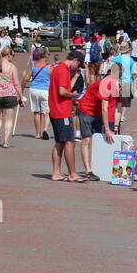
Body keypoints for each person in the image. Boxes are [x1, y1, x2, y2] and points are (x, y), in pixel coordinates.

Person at [47, 51, 85, 181]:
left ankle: (56, 172)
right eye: (79, 65)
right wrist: (73, 96)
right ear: (75, 60)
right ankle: (72, 173)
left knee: (60, 142)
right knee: (70, 142)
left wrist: (74, 78)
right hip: (62, 111)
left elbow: (64, 87)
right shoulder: (63, 70)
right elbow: (63, 92)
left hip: (55, 110)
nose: (78, 68)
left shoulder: (58, 69)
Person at [76, 62, 116, 180]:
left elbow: (113, 106)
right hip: (87, 110)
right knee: (86, 139)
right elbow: (105, 108)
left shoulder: (114, 84)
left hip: (97, 113)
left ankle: (98, 167)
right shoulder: (105, 84)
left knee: (97, 140)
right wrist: (108, 129)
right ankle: (88, 170)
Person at [24, 46, 52, 140]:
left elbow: (26, 78)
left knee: (36, 112)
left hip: (34, 89)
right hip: (45, 90)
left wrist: (21, 87)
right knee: (46, 112)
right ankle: (45, 129)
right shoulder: (50, 67)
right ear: (45, 55)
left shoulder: (33, 66)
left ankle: (37, 133)